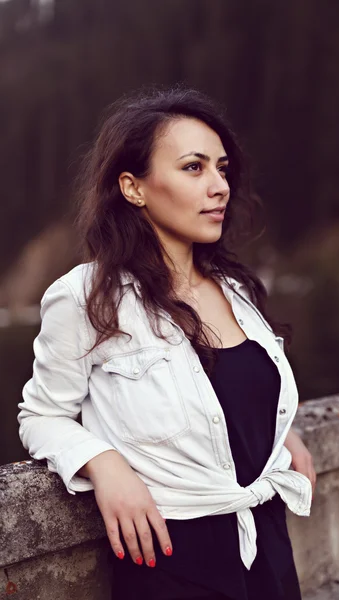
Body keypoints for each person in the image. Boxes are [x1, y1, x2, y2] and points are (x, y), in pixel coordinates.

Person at [17, 86, 316, 600]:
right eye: (194, 168)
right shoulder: (87, 297)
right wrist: (104, 463)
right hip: (173, 563)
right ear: (133, 187)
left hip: (267, 546)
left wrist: (277, 430)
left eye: (222, 168)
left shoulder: (236, 289)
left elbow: (231, 392)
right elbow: (41, 415)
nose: (219, 186)